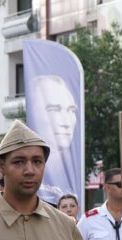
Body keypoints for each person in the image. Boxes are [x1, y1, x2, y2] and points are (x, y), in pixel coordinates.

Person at [29, 74, 80, 204]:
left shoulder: (75, 169)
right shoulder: (27, 170)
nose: (65, 121)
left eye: (71, 110)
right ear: (33, 113)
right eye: (54, 109)